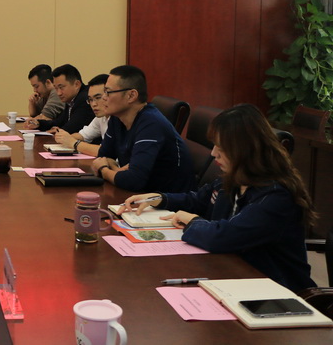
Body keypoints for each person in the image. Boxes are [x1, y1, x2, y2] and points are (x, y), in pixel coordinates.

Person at [121, 104, 316, 292]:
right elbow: (198, 200)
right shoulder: (234, 178)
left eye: (221, 147)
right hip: (234, 274)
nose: (214, 153)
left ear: (246, 149)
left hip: (277, 290)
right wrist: (161, 199)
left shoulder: (276, 196)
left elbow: (224, 237)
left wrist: (193, 221)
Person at [90, 65, 194, 192]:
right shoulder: (117, 118)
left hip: (169, 198)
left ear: (131, 95)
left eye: (108, 92)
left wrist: (104, 170)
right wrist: (117, 172)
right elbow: (103, 157)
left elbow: (133, 180)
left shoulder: (151, 124)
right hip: (141, 194)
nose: (104, 97)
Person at [24, 64, 93, 133]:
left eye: (61, 87)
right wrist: (38, 123)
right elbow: (58, 122)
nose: (58, 93)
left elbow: (72, 128)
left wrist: (57, 130)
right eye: (56, 88)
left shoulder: (85, 99)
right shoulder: (71, 99)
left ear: (76, 84)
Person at [53, 74, 109, 157]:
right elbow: (82, 135)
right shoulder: (100, 118)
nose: (93, 104)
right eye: (90, 100)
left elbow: (105, 152)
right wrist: (65, 138)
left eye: (98, 98)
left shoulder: (119, 119)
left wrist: (74, 143)